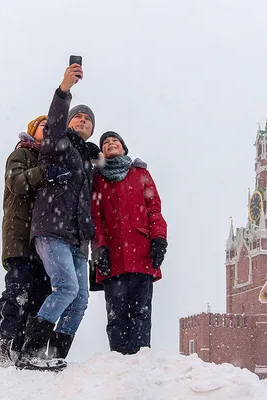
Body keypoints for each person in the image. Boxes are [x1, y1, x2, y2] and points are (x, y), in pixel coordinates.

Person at [15, 63, 100, 370]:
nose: (83, 121)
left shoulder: (88, 161)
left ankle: (54, 354)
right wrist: (64, 90)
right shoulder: (58, 145)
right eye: (78, 115)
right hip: (52, 230)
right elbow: (53, 122)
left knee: (80, 300)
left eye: (88, 119)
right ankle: (30, 352)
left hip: (77, 239)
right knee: (66, 288)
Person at [0, 116, 52, 367]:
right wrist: (44, 172)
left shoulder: (49, 160)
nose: (49, 130)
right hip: (19, 236)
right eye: (45, 126)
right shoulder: (21, 155)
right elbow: (16, 183)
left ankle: (22, 350)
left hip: (42, 240)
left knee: (38, 298)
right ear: (33, 130)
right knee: (17, 292)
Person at [91, 131, 168, 355]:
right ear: (102, 152)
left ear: (124, 148)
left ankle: (141, 360)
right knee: (116, 312)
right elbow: (95, 217)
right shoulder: (98, 180)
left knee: (141, 311)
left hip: (141, 252)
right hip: (112, 256)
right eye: (105, 143)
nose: (110, 144)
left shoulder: (140, 174)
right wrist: (99, 249)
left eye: (115, 141)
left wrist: (159, 238)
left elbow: (154, 208)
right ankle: (119, 362)